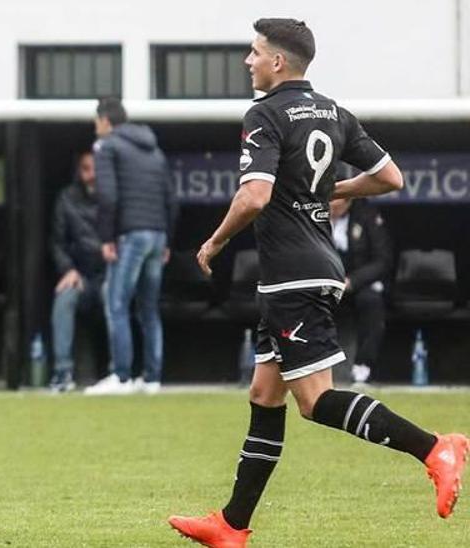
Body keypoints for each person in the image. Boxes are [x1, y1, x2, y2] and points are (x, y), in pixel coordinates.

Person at [170, 18, 468, 548]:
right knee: (265, 394)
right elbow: (390, 177)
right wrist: (331, 188)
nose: (248, 61)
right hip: (313, 268)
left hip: (292, 277)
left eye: (255, 52)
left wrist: (213, 243)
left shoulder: (264, 115)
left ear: (277, 62)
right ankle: (232, 525)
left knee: (314, 402)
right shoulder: (333, 111)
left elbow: (255, 196)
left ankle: (434, 448)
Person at [85, 97, 177, 395]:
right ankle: (151, 379)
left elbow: (107, 196)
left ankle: (121, 376)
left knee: (116, 304)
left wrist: (107, 238)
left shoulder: (106, 146)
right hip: (157, 235)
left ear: (105, 121)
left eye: (96, 121)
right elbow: (170, 199)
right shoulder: (155, 150)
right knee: (149, 308)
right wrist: (166, 239)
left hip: (129, 236)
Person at [49, 150, 104, 392]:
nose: (91, 174)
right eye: (85, 168)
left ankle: (121, 373)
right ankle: (63, 373)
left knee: (118, 300)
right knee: (64, 299)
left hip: (109, 275)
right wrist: (68, 269)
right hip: (79, 275)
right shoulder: (67, 198)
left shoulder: (115, 196)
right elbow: (57, 241)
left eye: (95, 168)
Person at [328, 198, 393, 385]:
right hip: (324, 282)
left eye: (337, 202)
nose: (332, 206)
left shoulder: (366, 215)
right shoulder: (312, 214)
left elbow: (383, 260)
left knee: (371, 301)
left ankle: (363, 366)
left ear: (348, 201)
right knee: (301, 301)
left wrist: (352, 281)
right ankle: (304, 365)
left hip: (357, 283)